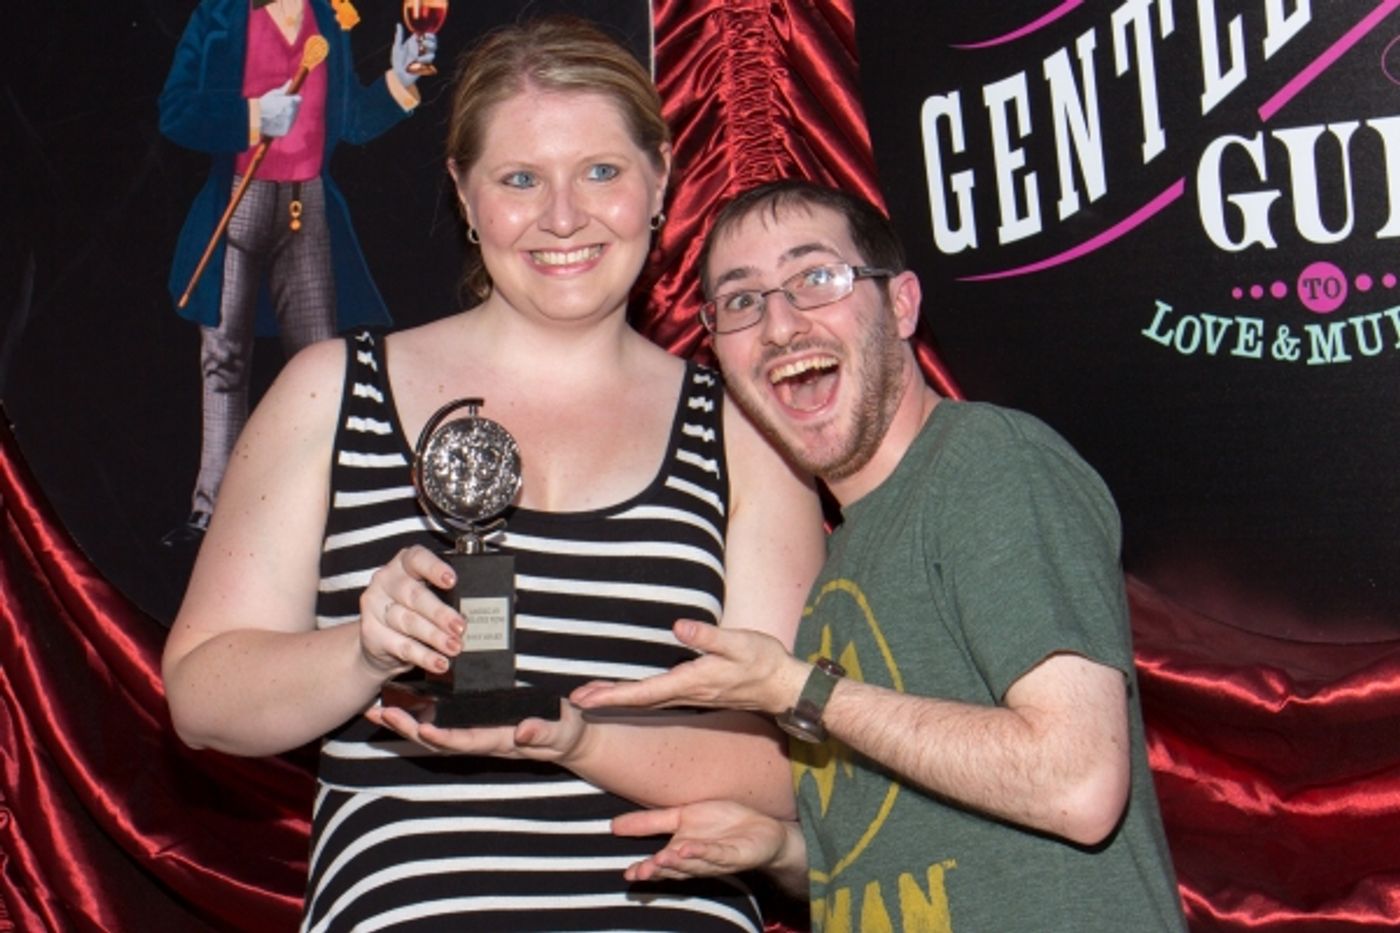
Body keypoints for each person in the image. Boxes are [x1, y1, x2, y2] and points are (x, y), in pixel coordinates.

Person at [161, 17, 825, 933]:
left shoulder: (745, 431)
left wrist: (575, 736)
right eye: (520, 179)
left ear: (662, 179)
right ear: (465, 197)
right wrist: (364, 648)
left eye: (601, 171)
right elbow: (202, 697)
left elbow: (794, 769)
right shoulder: (332, 391)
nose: (563, 216)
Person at [572, 180, 1189, 931]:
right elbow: (906, 854)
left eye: (815, 278)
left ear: (900, 305)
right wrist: (781, 850)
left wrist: (801, 691)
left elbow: (1079, 783)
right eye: (741, 301)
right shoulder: (841, 565)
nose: (779, 323)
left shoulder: (988, 462)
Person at [158, 0, 436, 545]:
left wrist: (399, 80)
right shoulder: (219, 17)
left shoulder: (332, 17)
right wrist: (254, 117)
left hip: (307, 209)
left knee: (320, 362)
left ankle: (325, 511)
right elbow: (176, 110)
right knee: (224, 360)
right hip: (237, 204)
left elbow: (351, 120)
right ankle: (211, 514)